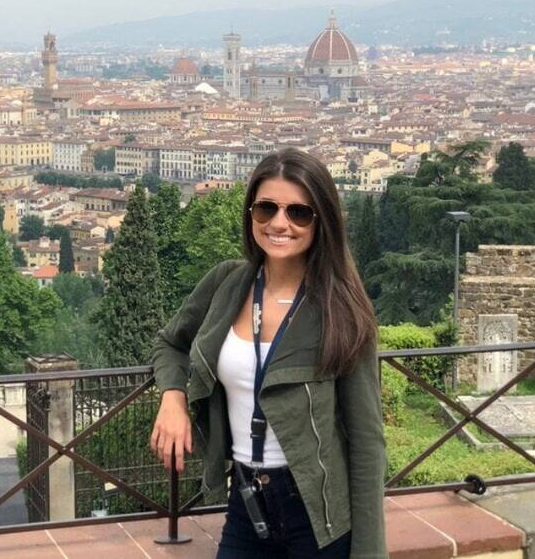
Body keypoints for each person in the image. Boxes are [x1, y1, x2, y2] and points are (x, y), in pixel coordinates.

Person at [150, 148, 386, 558]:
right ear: (250, 214)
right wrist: (173, 397)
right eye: (266, 208)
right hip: (247, 500)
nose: (279, 223)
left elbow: (367, 442)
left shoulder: (340, 309)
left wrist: (369, 553)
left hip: (319, 516)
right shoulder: (227, 283)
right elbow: (170, 343)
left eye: (299, 213)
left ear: (322, 221)